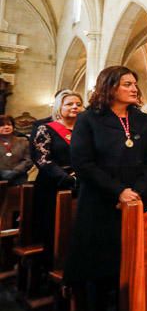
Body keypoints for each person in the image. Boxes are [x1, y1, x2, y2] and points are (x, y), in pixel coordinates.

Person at [65, 66, 147, 311]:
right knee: (102, 264)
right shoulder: (89, 120)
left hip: (138, 202)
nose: (134, 88)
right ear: (110, 87)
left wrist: (137, 192)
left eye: (135, 84)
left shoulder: (142, 121)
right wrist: (119, 192)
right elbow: (83, 163)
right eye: (127, 84)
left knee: (136, 261)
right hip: (101, 204)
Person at [31, 90, 83, 271]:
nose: (75, 107)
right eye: (69, 104)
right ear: (59, 107)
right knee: (52, 229)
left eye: (78, 103)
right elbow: (42, 159)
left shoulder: (84, 130)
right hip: (52, 186)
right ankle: (48, 269)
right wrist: (66, 178)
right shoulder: (45, 129)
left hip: (81, 186)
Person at [0, 115, 32, 185]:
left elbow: (28, 160)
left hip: (19, 179)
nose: (6, 127)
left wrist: (15, 172)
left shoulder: (23, 141)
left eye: (9, 124)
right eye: (2, 125)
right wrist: (1, 172)